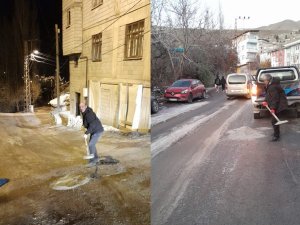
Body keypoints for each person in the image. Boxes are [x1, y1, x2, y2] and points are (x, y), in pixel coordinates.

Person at [262, 74, 288, 142]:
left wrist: (273, 108)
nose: (264, 82)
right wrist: (265, 101)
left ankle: (276, 136)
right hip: (277, 104)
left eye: (265, 80)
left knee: (274, 121)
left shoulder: (272, 87)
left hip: (279, 104)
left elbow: (275, 98)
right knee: (275, 120)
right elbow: (268, 95)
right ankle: (276, 133)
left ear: (269, 80)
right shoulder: (270, 86)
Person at [80, 102, 104, 166]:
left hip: (97, 130)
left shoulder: (89, 114)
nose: (81, 108)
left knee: (91, 144)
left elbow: (92, 124)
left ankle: (93, 161)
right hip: (94, 130)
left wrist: (86, 133)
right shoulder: (85, 112)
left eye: (82, 106)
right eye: (80, 107)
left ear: (85, 106)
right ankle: (96, 158)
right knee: (92, 144)